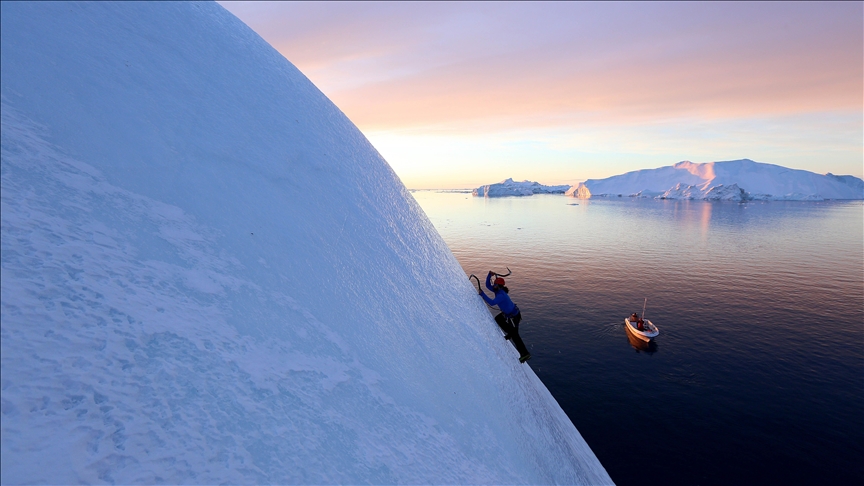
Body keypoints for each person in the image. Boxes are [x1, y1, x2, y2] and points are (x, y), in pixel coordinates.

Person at [478, 271, 531, 363]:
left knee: (516, 336)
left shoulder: (501, 295)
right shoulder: (498, 291)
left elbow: (492, 302)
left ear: (499, 286)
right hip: (511, 314)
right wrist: (489, 275)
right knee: (499, 319)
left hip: (513, 316)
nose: (493, 286)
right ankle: (510, 334)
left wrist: (482, 294)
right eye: (494, 284)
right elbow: (487, 285)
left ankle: (525, 354)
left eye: (495, 284)